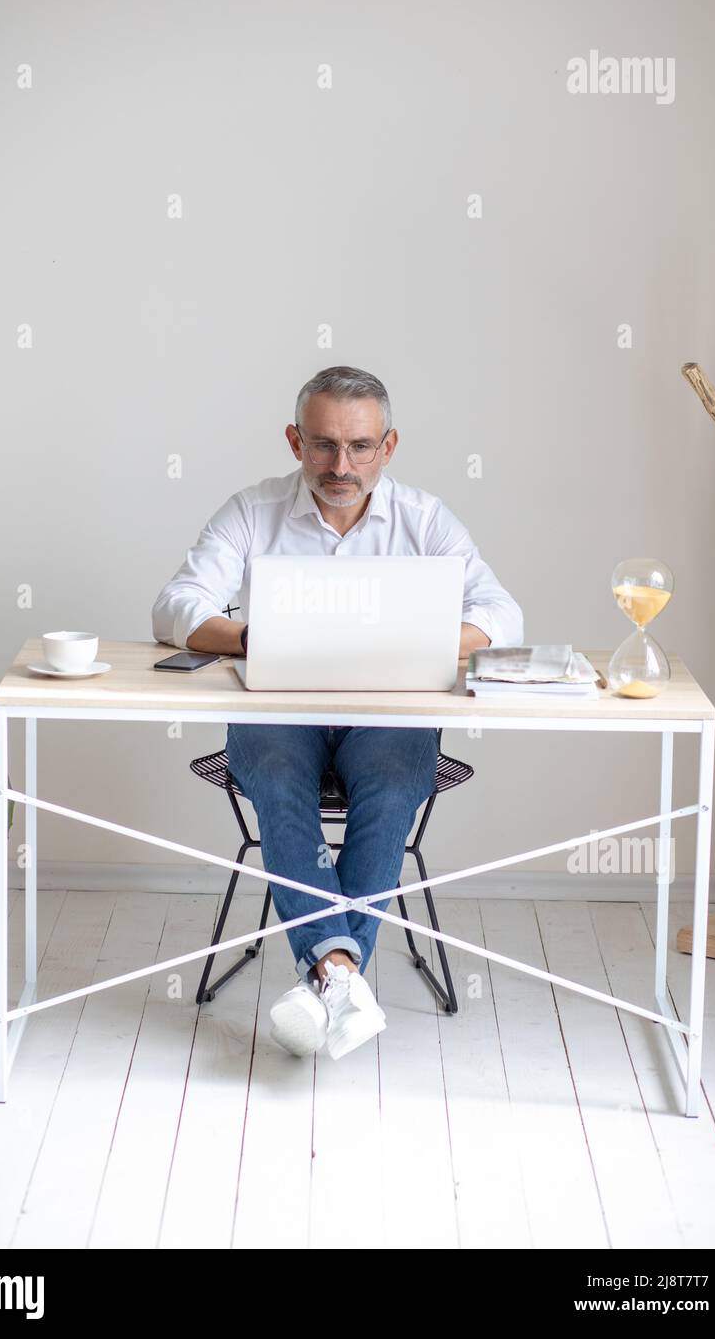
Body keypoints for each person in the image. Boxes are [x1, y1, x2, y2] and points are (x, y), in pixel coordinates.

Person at [151, 366, 523, 1060]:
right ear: (295, 442)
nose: (341, 465)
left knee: (389, 784)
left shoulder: (425, 518)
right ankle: (343, 977)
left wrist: (411, 642)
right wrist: (256, 638)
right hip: (279, 712)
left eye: (359, 446)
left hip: (385, 713)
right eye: (323, 445)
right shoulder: (252, 510)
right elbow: (175, 607)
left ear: (389, 445)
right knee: (278, 780)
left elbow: (502, 614)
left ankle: (325, 974)